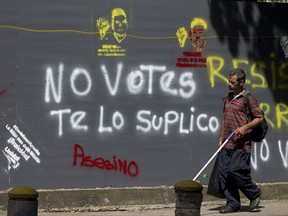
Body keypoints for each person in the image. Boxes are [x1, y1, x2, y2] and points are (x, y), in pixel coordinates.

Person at [217, 68, 262, 214]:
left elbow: (259, 118)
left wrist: (245, 127)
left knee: (235, 171)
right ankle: (233, 203)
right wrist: (221, 138)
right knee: (224, 173)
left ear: (241, 82)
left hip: (241, 144)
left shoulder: (248, 98)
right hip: (227, 143)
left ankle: (254, 194)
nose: (229, 84)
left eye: (232, 82)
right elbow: (225, 119)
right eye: (229, 81)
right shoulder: (228, 97)